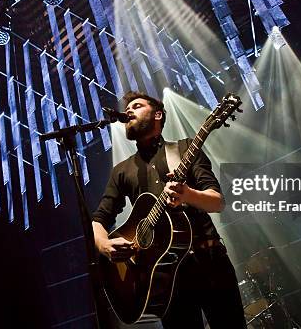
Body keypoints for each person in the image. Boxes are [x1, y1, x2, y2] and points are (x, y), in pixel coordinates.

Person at [92, 91, 246, 329]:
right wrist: (104, 245)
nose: (129, 111)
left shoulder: (185, 149)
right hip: (163, 278)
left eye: (137, 105)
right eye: (128, 107)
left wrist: (189, 194)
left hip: (209, 263)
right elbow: (99, 220)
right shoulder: (122, 171)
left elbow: (217, 202)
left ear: (158, 114)